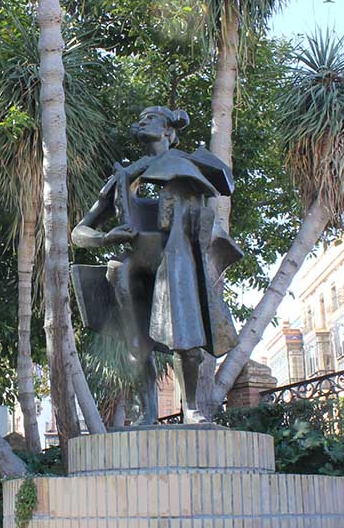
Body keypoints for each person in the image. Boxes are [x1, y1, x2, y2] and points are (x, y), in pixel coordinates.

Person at [71, 106, 242, 424]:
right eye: (140, 118)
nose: (142, 121)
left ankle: (191, 408)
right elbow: (80, 232)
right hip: (134, 267)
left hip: (176, 262)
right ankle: (148, 412)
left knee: (187, 343)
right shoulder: (122, 177)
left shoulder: (188, 164)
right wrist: (106, 237)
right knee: (137, 346)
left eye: (150, 118)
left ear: (168, 131)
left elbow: (224, 183)